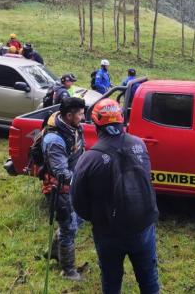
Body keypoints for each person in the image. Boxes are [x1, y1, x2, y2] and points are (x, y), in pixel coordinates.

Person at [72, 99, 160, 294]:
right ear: (122, 121)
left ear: (95, 125)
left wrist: (96, 217)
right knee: (149, 279)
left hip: (108, 231)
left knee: (111, 281)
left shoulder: (88, 159)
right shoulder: (140, 145)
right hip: (143, 226)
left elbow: (77, 201)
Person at [42, 97, 86, 281]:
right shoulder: (54, 140)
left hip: (75, 187)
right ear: (69, 115)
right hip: (60, 190)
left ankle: (53, 251)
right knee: (69, 228)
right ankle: (68, 271)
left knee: (79, 220)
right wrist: (87, 180)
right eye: (81, 114)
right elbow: (62, 173)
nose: (84, 118)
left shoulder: (74, 128)